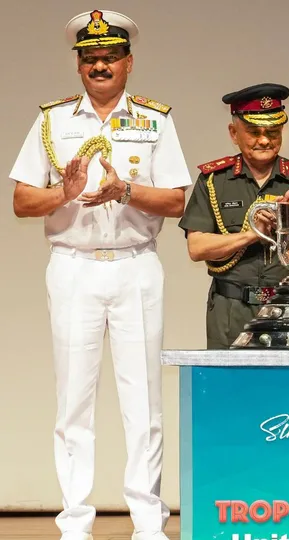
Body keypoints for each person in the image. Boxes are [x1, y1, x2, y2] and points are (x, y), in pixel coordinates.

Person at [9, 9, 192, 540]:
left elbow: (178, 200)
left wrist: (126, 191)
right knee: (73, 402)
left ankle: (148, 522)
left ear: (128, 63)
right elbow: (22, 201)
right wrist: (61, 194)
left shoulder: (155, 121)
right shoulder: (53, 121)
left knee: (144, 402)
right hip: (74, 269)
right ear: (79, 66)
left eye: (109, 56)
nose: (99, 64)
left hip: (136, 267)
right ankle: (75, 522)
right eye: (89, 58)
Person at [178, 83, 289, 349]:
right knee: (230, 387)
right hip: (231, 309)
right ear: (233, 133)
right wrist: (252, 234)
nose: (264, 140)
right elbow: (197, 247)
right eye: (253, 132)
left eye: (273, 132)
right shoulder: (214, 181)